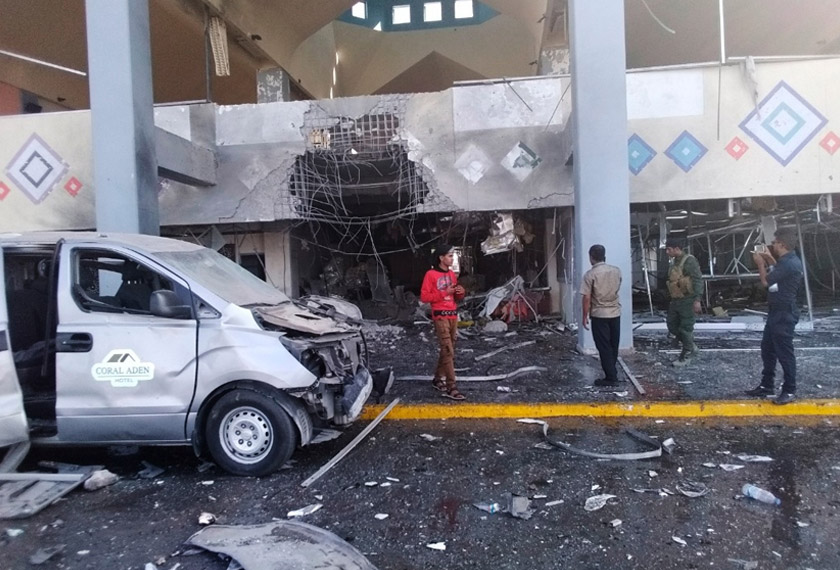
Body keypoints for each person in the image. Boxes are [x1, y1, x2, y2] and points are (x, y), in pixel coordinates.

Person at [746, 229, 803, 405]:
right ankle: (767, 385)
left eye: (776, 243)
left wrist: (760, 263)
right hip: (777, 312)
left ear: (783, 245)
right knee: (768, 349)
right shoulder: (787, 261)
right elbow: (776, 270)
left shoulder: (789, 264)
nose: (774, 246)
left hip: (783, 314)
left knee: (784, 353)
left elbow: (766, 282)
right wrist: (769, 259)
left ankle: (789, 389)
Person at [420, 244, 466, 401]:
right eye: (449, 256)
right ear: (441, 258)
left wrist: (460, 293)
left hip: (453, 315)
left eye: (452, 256)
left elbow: (455, 297)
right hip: (440, 316)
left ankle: (438, 378)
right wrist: (444, 292)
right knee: (448, 349)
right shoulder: (430, 274)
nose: (452, 259)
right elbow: (425, 297)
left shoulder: (452, 275)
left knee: (449, 348)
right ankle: (451, 386)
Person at [581, 244, 622, 387]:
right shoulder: (616, 271)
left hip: (599, 315)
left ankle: (611, 377)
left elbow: (586, 297)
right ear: (604, 255)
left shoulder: (590, 275)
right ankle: (612, 372)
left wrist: (584, 316)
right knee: (613, 345)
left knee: (603, 346)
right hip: (615, 313)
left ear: (591, 257)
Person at [664, 237, 704, 367]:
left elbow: (697, 280)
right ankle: (691, 346)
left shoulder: (690, 261)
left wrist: (697, 300)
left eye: (669, 249)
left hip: (688, 300)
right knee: (672, 325)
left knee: (686, 328)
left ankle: (686, 355)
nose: (667, 252)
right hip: (676, 300)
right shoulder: (674, 262)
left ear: (677, 249)